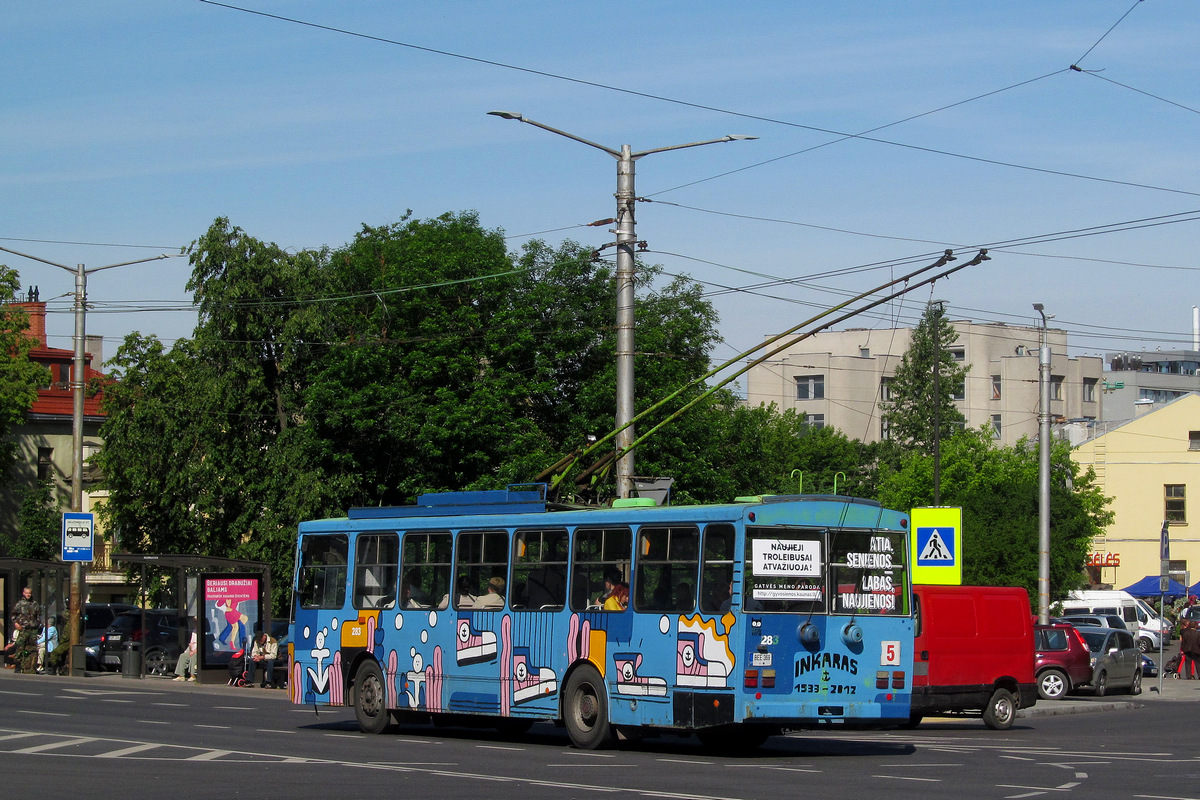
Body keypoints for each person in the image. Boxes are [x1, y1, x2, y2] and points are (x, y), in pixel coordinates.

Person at [11, 586, 41, 674]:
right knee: (20, 646)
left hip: (33, 629)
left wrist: (37, 624)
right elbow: (13, 615)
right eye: (26, 593)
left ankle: (31, 667)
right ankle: (18, 665)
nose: (28, 595)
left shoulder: (35, 604)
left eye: (29, 593)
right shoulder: (20, 604)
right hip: (23, 628)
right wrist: (16, 623)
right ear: (23, 593)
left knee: (33, 648)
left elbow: (39, 615)